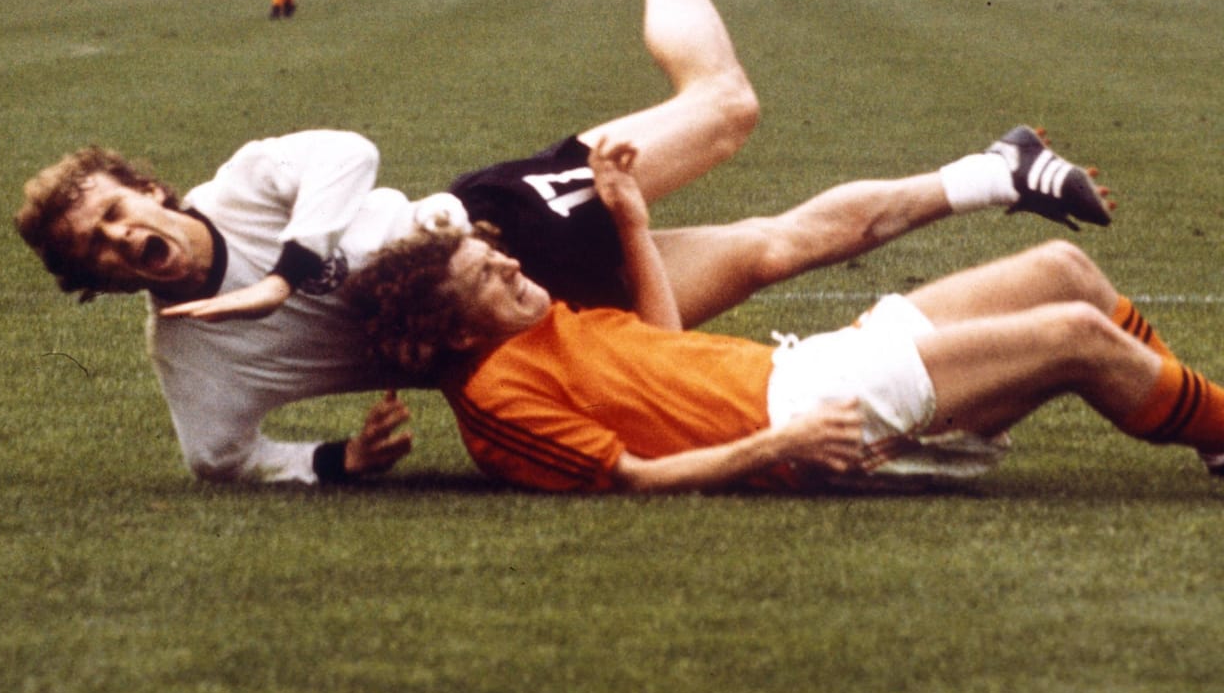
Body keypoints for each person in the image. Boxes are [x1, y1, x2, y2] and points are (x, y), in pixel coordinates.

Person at [15, 0, 1113, 486]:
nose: (122, 238)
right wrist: (334, 460)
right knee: (778, 248)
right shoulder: (186, 348)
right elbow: (219, 457)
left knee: (724, 109)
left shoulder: (248, 183)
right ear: (96, 280)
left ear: (148, 186)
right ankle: (996, 167)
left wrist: (288, 272)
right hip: (523, 345)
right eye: (97, 249)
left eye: (117, 210)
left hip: (499, 235)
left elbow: (344, 151)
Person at [345, 139, 1220, 495]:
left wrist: (631, 219)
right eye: (488, 275)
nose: (510, 264)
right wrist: (779, 446)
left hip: (806, 366)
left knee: (1063, 272)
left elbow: (662, 353)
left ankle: (1210, 439)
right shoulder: (498, 402)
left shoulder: (532, 323)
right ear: (455, 332)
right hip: (804, 413)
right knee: (1073, 339)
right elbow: (632, 480)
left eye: (495, 253)